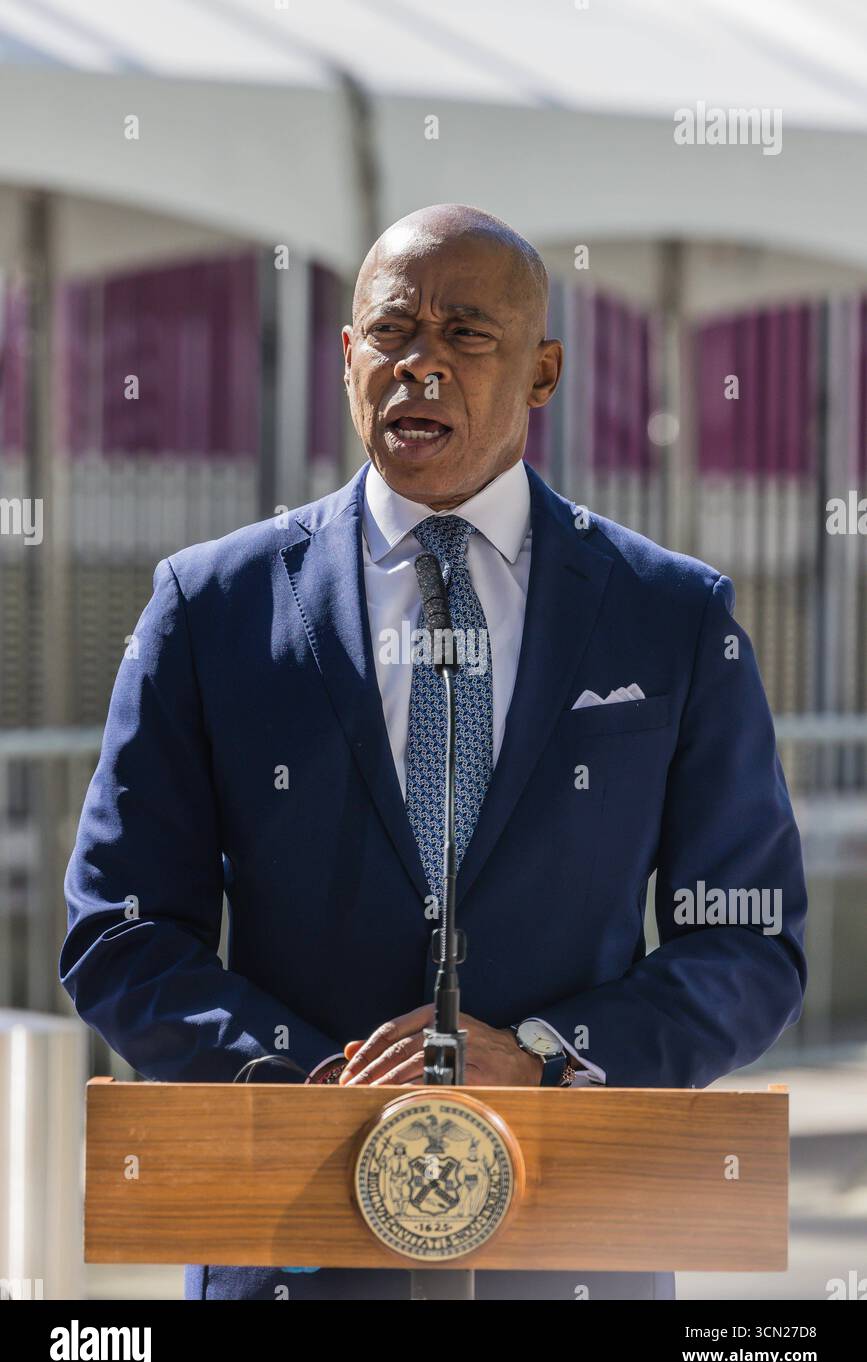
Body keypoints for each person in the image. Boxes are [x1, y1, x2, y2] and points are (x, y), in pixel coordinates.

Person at [61, 204, 807, 1301]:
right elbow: (117, 932)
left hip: (569, 1258)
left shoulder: (674, 615)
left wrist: (550, 1054)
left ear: (543, 372)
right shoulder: (208, 606)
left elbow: (750, 943)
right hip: (292, 1257)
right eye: (393, 333)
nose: (421, 366)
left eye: (466, 336)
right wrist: (320, 1080)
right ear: (347, 355)